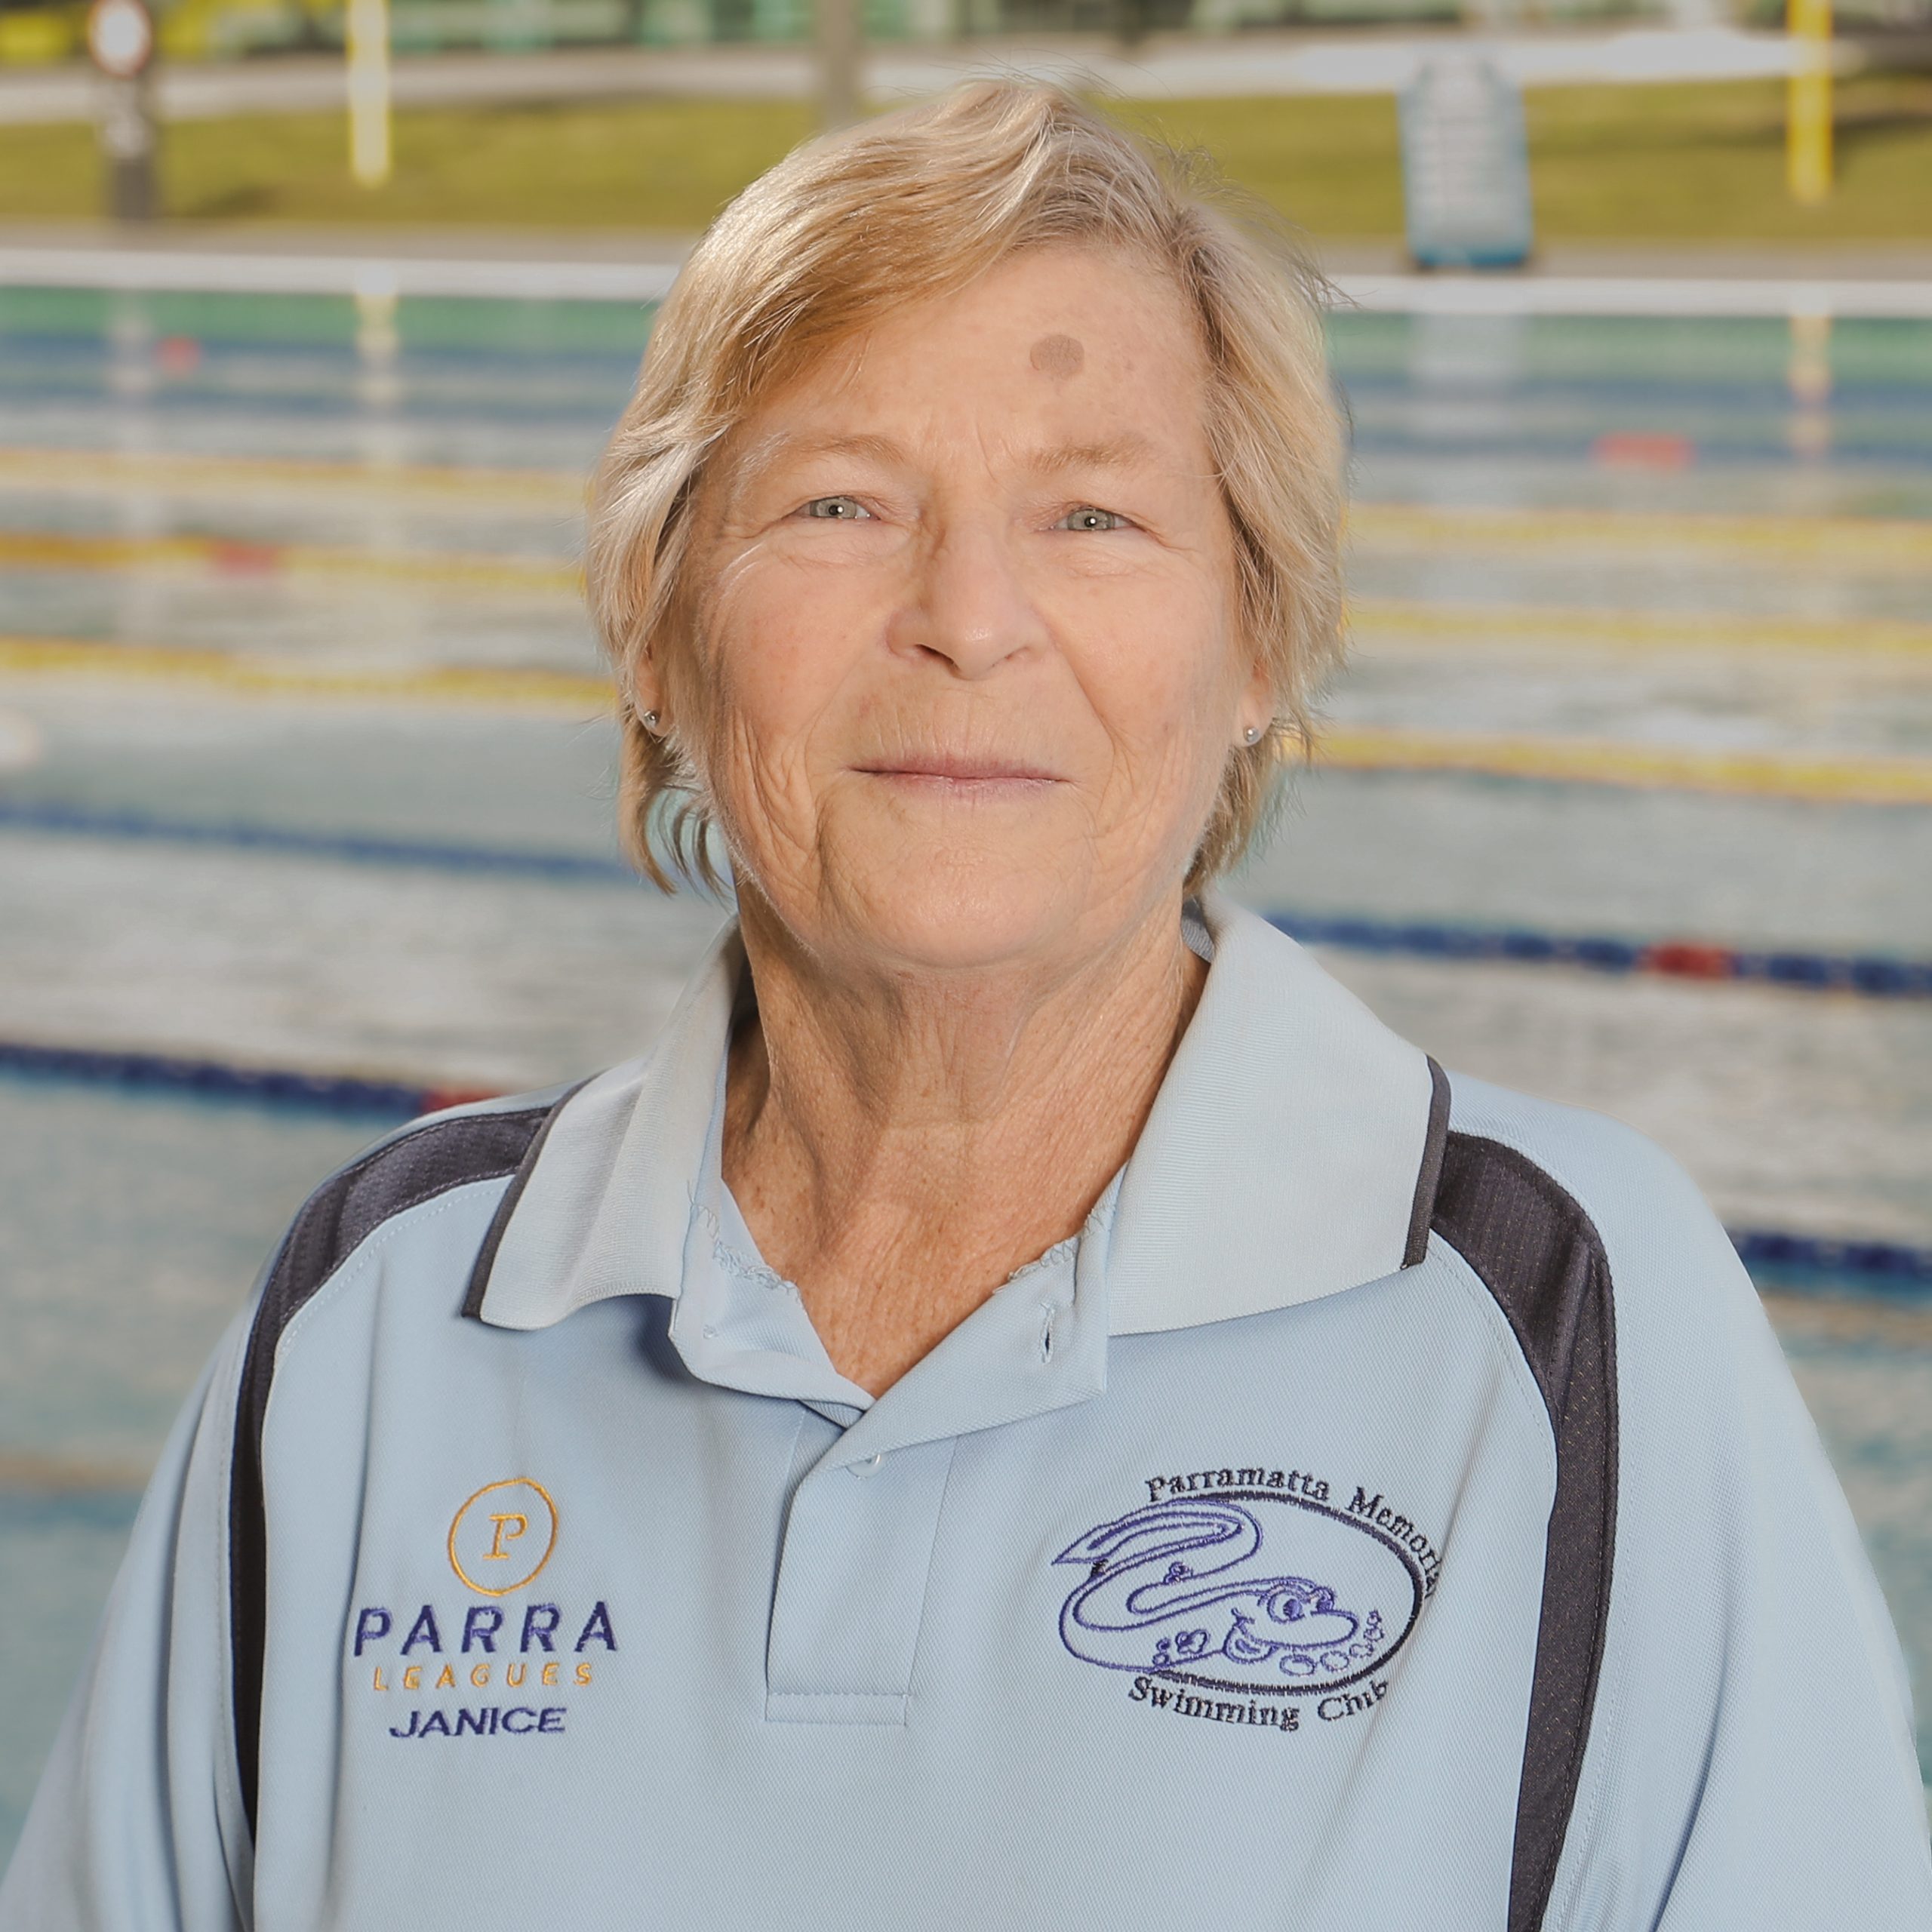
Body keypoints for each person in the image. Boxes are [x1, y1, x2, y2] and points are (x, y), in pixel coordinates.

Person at [3, 81, 1928, 1932]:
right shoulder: (377, 1314)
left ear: (1259, 641)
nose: (967, 616)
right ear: (661, 629)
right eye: (839, 505)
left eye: (1093, 517)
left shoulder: (1557, 1311)